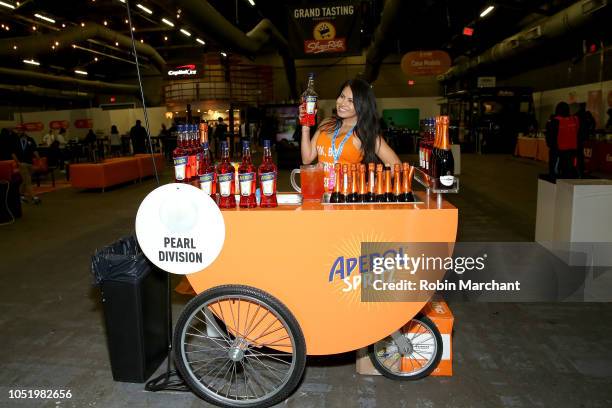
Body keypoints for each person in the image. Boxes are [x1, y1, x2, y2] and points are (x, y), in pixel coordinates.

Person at [300, 78, 400, 191]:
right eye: (342, 97)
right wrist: (305, 125)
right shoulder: (327, 124)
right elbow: (307, 159)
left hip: (348, 199)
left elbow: (396, 166)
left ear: (362, 105)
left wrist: (371, 183)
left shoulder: (364, 133)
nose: (342, 103)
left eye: (350, 101)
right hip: (322, 195)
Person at [545, 102, 579, 179]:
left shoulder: (554, 121)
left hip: (558, 149)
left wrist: (550, 145)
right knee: (568, 169)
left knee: (555, 170)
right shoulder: (574, 119)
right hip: (572, 149)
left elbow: (550, 135)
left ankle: (553, 178)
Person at [11, 129, 41, 204]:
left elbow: (35, 150)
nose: (20, 133)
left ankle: (19, 195)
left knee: (25, 180)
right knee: (28, 181)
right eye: (18, 132)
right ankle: (33, 197)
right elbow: (13, 153)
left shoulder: (30, 140)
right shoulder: (15, 141)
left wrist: (39, 160)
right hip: (22, 164)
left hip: (30, 163)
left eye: (21, 131)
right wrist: (18, 163)